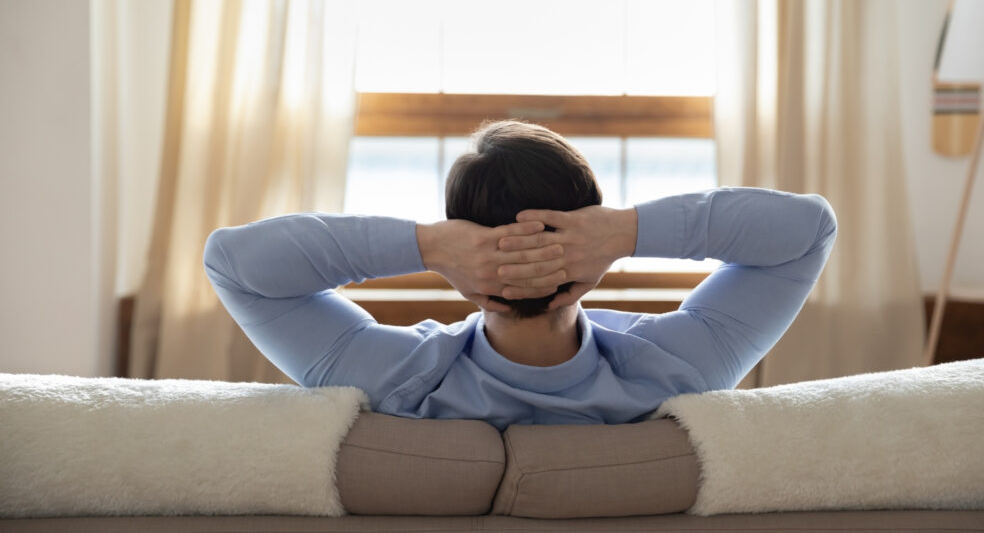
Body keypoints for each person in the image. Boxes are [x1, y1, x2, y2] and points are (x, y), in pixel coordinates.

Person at [204, 121, 837, 430]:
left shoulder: (398, 382)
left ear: (462, 257)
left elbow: (232, 263)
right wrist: (625, 232)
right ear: (587, 255)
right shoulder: (677, 370)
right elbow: (808, 230)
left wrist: (427, 244)